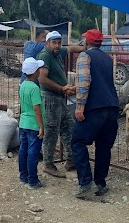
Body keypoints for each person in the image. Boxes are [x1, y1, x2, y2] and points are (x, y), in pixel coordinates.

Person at [72, 29, 120, 199]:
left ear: (87, 41)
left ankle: (85, 184)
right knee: (103, 147)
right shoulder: (107, 58)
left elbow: (84, 82)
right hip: (112, 107)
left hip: (94, 108)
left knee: (78, 142)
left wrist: (80, 106)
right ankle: (100, 183)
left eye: (83, 38)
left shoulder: (85, 56)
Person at [37, 30, 83, 178]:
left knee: (68, 126)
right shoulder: (45, 56)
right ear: (47, 43)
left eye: (58, 42)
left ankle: (70, 160)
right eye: (54, 43)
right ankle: (48, 164)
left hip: (59, 97)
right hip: (51, 97)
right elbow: (42, 79)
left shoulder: (58, 52)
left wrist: (84, 48)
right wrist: (62, 88)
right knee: (51, 131)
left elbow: (70, 49)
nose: (57, 45)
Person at [18, 57, 46, 190]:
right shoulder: (34, 88)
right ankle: (33, 180)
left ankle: (23, 176)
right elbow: (36, 108)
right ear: (35, 72)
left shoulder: (23, 85)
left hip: (23, 122)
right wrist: (41, 126)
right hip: (33, 124)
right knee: (33, 152)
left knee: (23, 150)